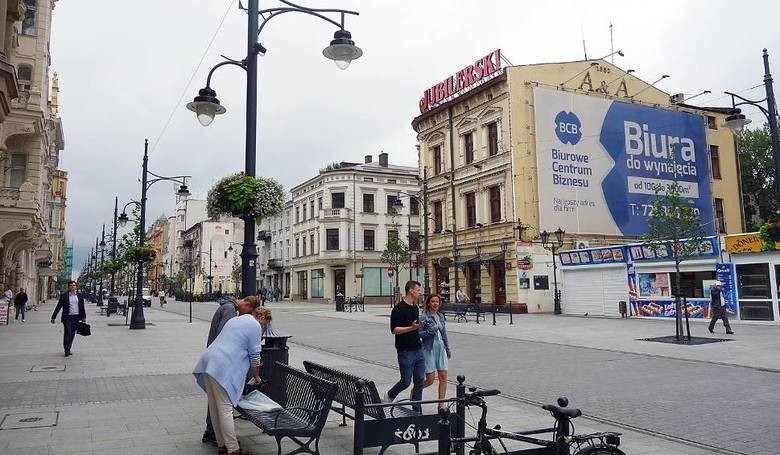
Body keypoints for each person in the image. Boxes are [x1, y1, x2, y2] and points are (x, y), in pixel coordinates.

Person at [193, 298, 265, 455]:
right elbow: (255, 356)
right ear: (258, 314)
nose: (263, 326)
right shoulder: (254, 325)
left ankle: (222, 445)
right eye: (264, 323)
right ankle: (233, 449)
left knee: (215, 406)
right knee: (225, 408)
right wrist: (257, 376)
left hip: (208, 361)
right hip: (221, 365)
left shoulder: (236, 320)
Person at [384, 280, 425, 414]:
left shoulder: (415, 307)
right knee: (406, 381)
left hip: (418, 349)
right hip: (405, 350)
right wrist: (411, 328)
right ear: (411, 290)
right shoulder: (398, 308)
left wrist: (421, 328)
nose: (420, 292)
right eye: (418, 290)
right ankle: (390, 395)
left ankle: (417, 409)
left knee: (419, 380)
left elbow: (415, 328)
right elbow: (394, 330)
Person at [417, 294, 451, 408]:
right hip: (429, 349)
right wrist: (431, 330)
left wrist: (447, 347)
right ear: (428, 303)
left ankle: (441, 405)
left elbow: (444, 333)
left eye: (437, 302)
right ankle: (416, 390)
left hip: (441, 348)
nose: (435, 304)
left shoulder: (440, 316)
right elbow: (419, 334)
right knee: (430, 380)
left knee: (443, 376)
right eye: (433, 301)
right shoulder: (423, 317)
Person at [50, 281, 86, 356]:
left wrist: (83, 317)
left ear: (76, 287)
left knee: (72, 333)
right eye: (71, 285)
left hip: (76, 317)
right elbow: (58, 306)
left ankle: (69, 348)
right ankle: (66, 350)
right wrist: (53, 317)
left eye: (74, 285)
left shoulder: (79, 296)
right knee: (68, 332)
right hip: (67, 317)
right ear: (68, 287)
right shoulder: (64, 296)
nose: (72, 286)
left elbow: (82, 307)